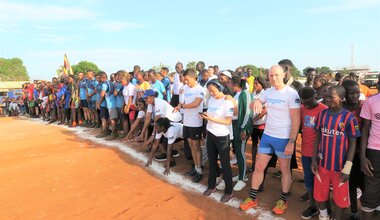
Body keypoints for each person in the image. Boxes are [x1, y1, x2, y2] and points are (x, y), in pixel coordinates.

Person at [241, 65, 301, 215]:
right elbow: (254, 103)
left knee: (285, 170)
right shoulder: (268, 92)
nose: (273, 78)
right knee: (259, 167)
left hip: (283, 138)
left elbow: (296, 120)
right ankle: (253, 198)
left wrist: (291, 142)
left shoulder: (291, 94)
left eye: (276, 75)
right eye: (271, 75)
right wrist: (255, 102)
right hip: (268, 136)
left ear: (283, 75)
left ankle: (283, 200)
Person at [311, 85, 361, 220]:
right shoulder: (322, 114)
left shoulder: (349, 118)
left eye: (331, 97)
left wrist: (348, 167)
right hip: (322, 165)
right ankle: (323, 216)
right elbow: (318, 138)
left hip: (340, 167)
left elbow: (353, 143)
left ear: (341, 98)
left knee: (340, 198)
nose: (327, 99)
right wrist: (314, 159)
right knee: (320, 194)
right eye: (326, 96)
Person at [201, 79, 234, 203]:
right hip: (211, 134)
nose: (211, 93)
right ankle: (211, 186)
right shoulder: (211, 99)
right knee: (212, 162)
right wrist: (205, 116)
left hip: (222, 136)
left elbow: (228, 121)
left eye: (213, 91)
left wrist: (211, 118)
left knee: (225, 165)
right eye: (209, 91)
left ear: (219, 88)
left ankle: (229, 191)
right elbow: (210, 115)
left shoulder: (227, 102)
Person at [299, 87, 328, 219]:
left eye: (308, 101)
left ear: (315, 96)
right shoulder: (302, 108)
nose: (306, 104)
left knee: (322, 181)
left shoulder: (324, 110)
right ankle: (312, 206)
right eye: (303, 102)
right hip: (306, 151)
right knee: (309, 180)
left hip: (321, 152)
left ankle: (326, 207)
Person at [174, 68, 205, 183]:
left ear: (193, 77)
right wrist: (179, 106)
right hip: (186, 121)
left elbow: (196, 104)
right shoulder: (185, 88)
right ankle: (196, 168)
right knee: (191, 145)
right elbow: (182, 102)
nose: (186, 82)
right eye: (184, 80)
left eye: (187, 80)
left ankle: (199, 170)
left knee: (196, 146)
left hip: (196, 122)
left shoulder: (200, 89)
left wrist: (182, 106)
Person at [342, 79, 365, 220]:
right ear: (344, 94)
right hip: (345, 153)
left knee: (364, 182)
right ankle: (354, 211)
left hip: (362, 152)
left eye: (357, 92)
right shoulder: (340, 109)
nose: (355, 95)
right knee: (350, 183)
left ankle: (368, 206)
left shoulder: (364, 107)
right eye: (352, 93)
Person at [140, 89, 182, 160]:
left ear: (152, 97)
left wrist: (153, 135)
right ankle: (165, 152)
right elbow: (148, 119)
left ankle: (169, 156)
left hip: (175, 121)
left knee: (160, 134)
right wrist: (142, 133)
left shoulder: (159, 103)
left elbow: (156, 120)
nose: (145, 100)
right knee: (156, 132)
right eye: (145, 98)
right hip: (166, 121)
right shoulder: (150, 104)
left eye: (147, 98)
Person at [360, 81, 380, 220]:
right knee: (371, 187)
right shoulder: (371, 102)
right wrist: (362, 156)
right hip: (374, 151)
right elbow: (365, 128)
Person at [231, 76, 252, 191]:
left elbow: (248, 113)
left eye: (230, 83)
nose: (229, 85)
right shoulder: (237, 94)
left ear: (235, 84)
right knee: (238, 152)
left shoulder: (245, 94)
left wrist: (244, 128)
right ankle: (241, 174)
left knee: (241, 152)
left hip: (242, 128)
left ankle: (242, 178)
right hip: (235, 126)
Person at [247, 77, 268, 174]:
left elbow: (265, 110)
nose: (255, 85)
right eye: (254, 83)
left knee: (262, 146)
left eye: (256, 83)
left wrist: (254, 119)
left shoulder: (265, 94)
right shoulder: (253, 93)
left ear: (262, 84)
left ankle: (261, 166)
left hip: (261, 124)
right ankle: (253, 164)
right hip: (253, 124)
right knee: (254, 144)